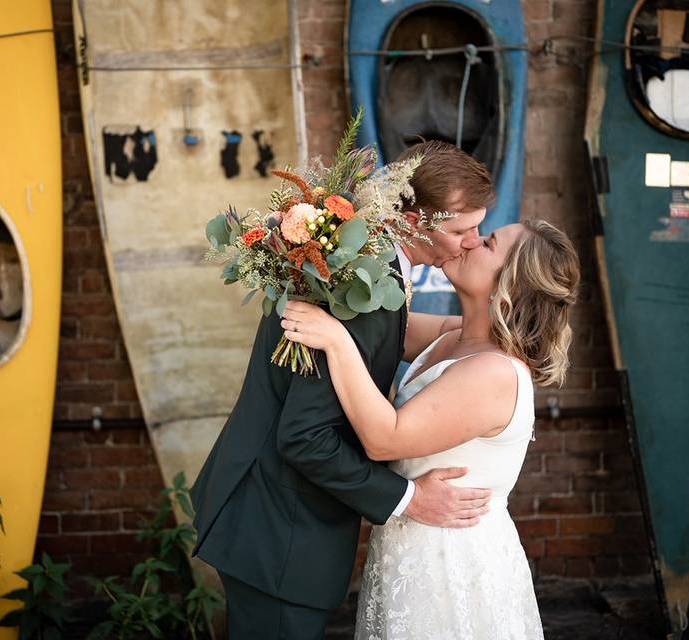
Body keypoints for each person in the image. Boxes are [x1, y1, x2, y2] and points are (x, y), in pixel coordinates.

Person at [190, 140, 495, 639]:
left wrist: (485, 333)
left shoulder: (368, 265)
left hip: (267, 513)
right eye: (461, 229)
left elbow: (397, 332)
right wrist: (408, 500)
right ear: (414, 220)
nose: (471, 241)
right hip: (280, 530)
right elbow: (306, 438)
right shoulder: (361, 287)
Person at [282, 219, 580, 639]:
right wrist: (318, 244)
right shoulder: (454, 336)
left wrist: (334, 341)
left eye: (489, 243)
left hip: (451, 560)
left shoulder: (495, 372)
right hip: (412, 540)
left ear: (506, 288)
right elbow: (378, 325)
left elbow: (386, 438)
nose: (473, 240)